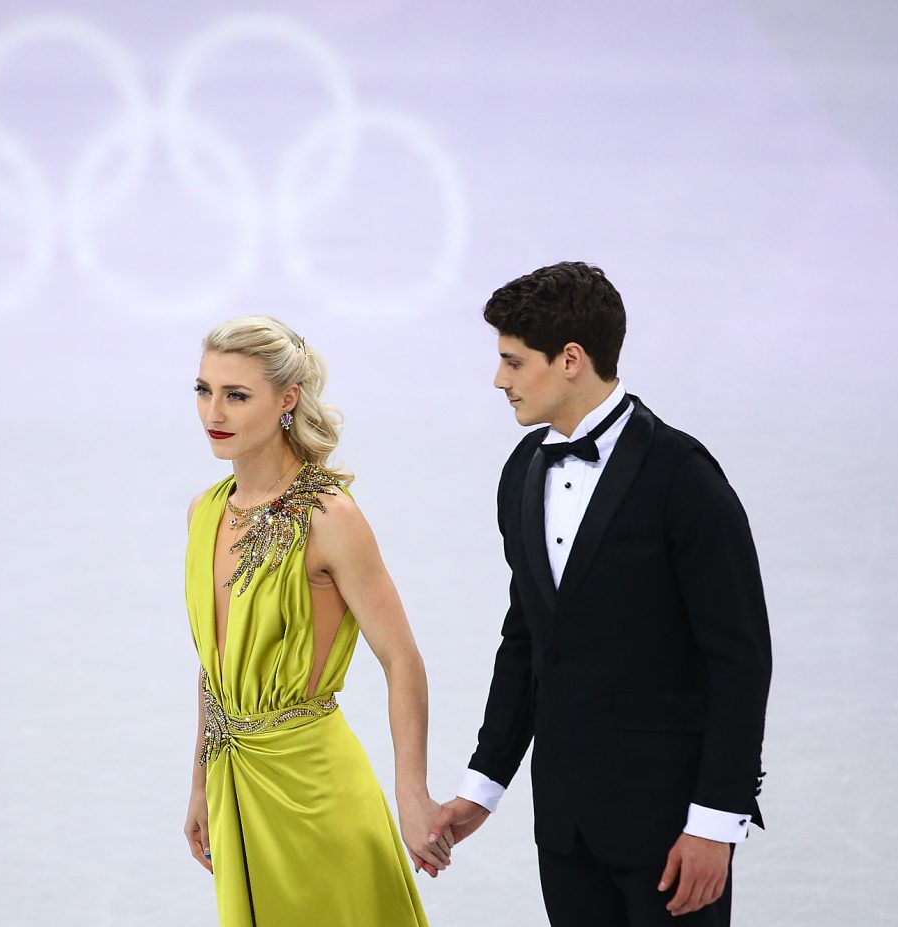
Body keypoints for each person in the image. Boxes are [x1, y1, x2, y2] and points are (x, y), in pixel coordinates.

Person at [435, 263, 772, 925]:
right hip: (564, 826)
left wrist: (716, 822)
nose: (498, 379)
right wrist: (483, 784)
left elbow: (739, 659)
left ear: (570, 359)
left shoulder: (684, 478)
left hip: (672, 829)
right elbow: (528, 638)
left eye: (512, 361)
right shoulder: (522, 471)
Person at [182, 316, 449, 926]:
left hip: (316, 794)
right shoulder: (204, 512)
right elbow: (214, 665)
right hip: (234, 786)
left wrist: (412, 796)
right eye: (203, 390)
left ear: (288, 399)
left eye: (236, 394)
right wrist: (199, 784)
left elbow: (401, 658)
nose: (213, 411)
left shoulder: (330, 516)